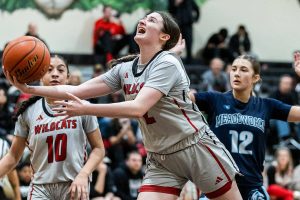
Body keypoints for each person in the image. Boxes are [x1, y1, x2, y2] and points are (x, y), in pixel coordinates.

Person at [4, 12, 242, 200]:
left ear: (163, 37)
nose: (143, 20)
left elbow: (137, 108)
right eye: (144, 18)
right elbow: (76, 90)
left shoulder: (168, 62)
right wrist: (30, 89)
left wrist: (86, 109)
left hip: (194, 146)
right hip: (160, 157)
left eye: (151, 20)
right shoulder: (124, 70)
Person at [190, 53, 300, 199]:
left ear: (255, 78)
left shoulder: (266, 106)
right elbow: (181, 98)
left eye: (243, 70)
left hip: (251, 186)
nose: (236, 73)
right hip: (219, 184)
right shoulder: (215, 99)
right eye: (234, 69)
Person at [0, 55, 105, 200]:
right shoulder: (27, 112)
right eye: (49, 70)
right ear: (40, 76)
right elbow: (13, 156)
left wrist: (84, 174)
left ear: (67, 78)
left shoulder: (83, 106)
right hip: (40, 188)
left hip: (74, 184)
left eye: (60, 70)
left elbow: (99, 149)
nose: (55, 73)